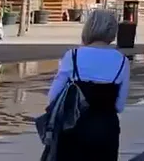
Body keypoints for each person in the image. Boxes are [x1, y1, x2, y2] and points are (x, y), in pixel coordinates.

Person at [43, 10, 130, 160]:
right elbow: (119, 106)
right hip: (106, 129)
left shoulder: (73, 56)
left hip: (73, 128)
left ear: (89, 28)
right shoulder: (122, 61)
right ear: (113, 32)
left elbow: (53, 97)